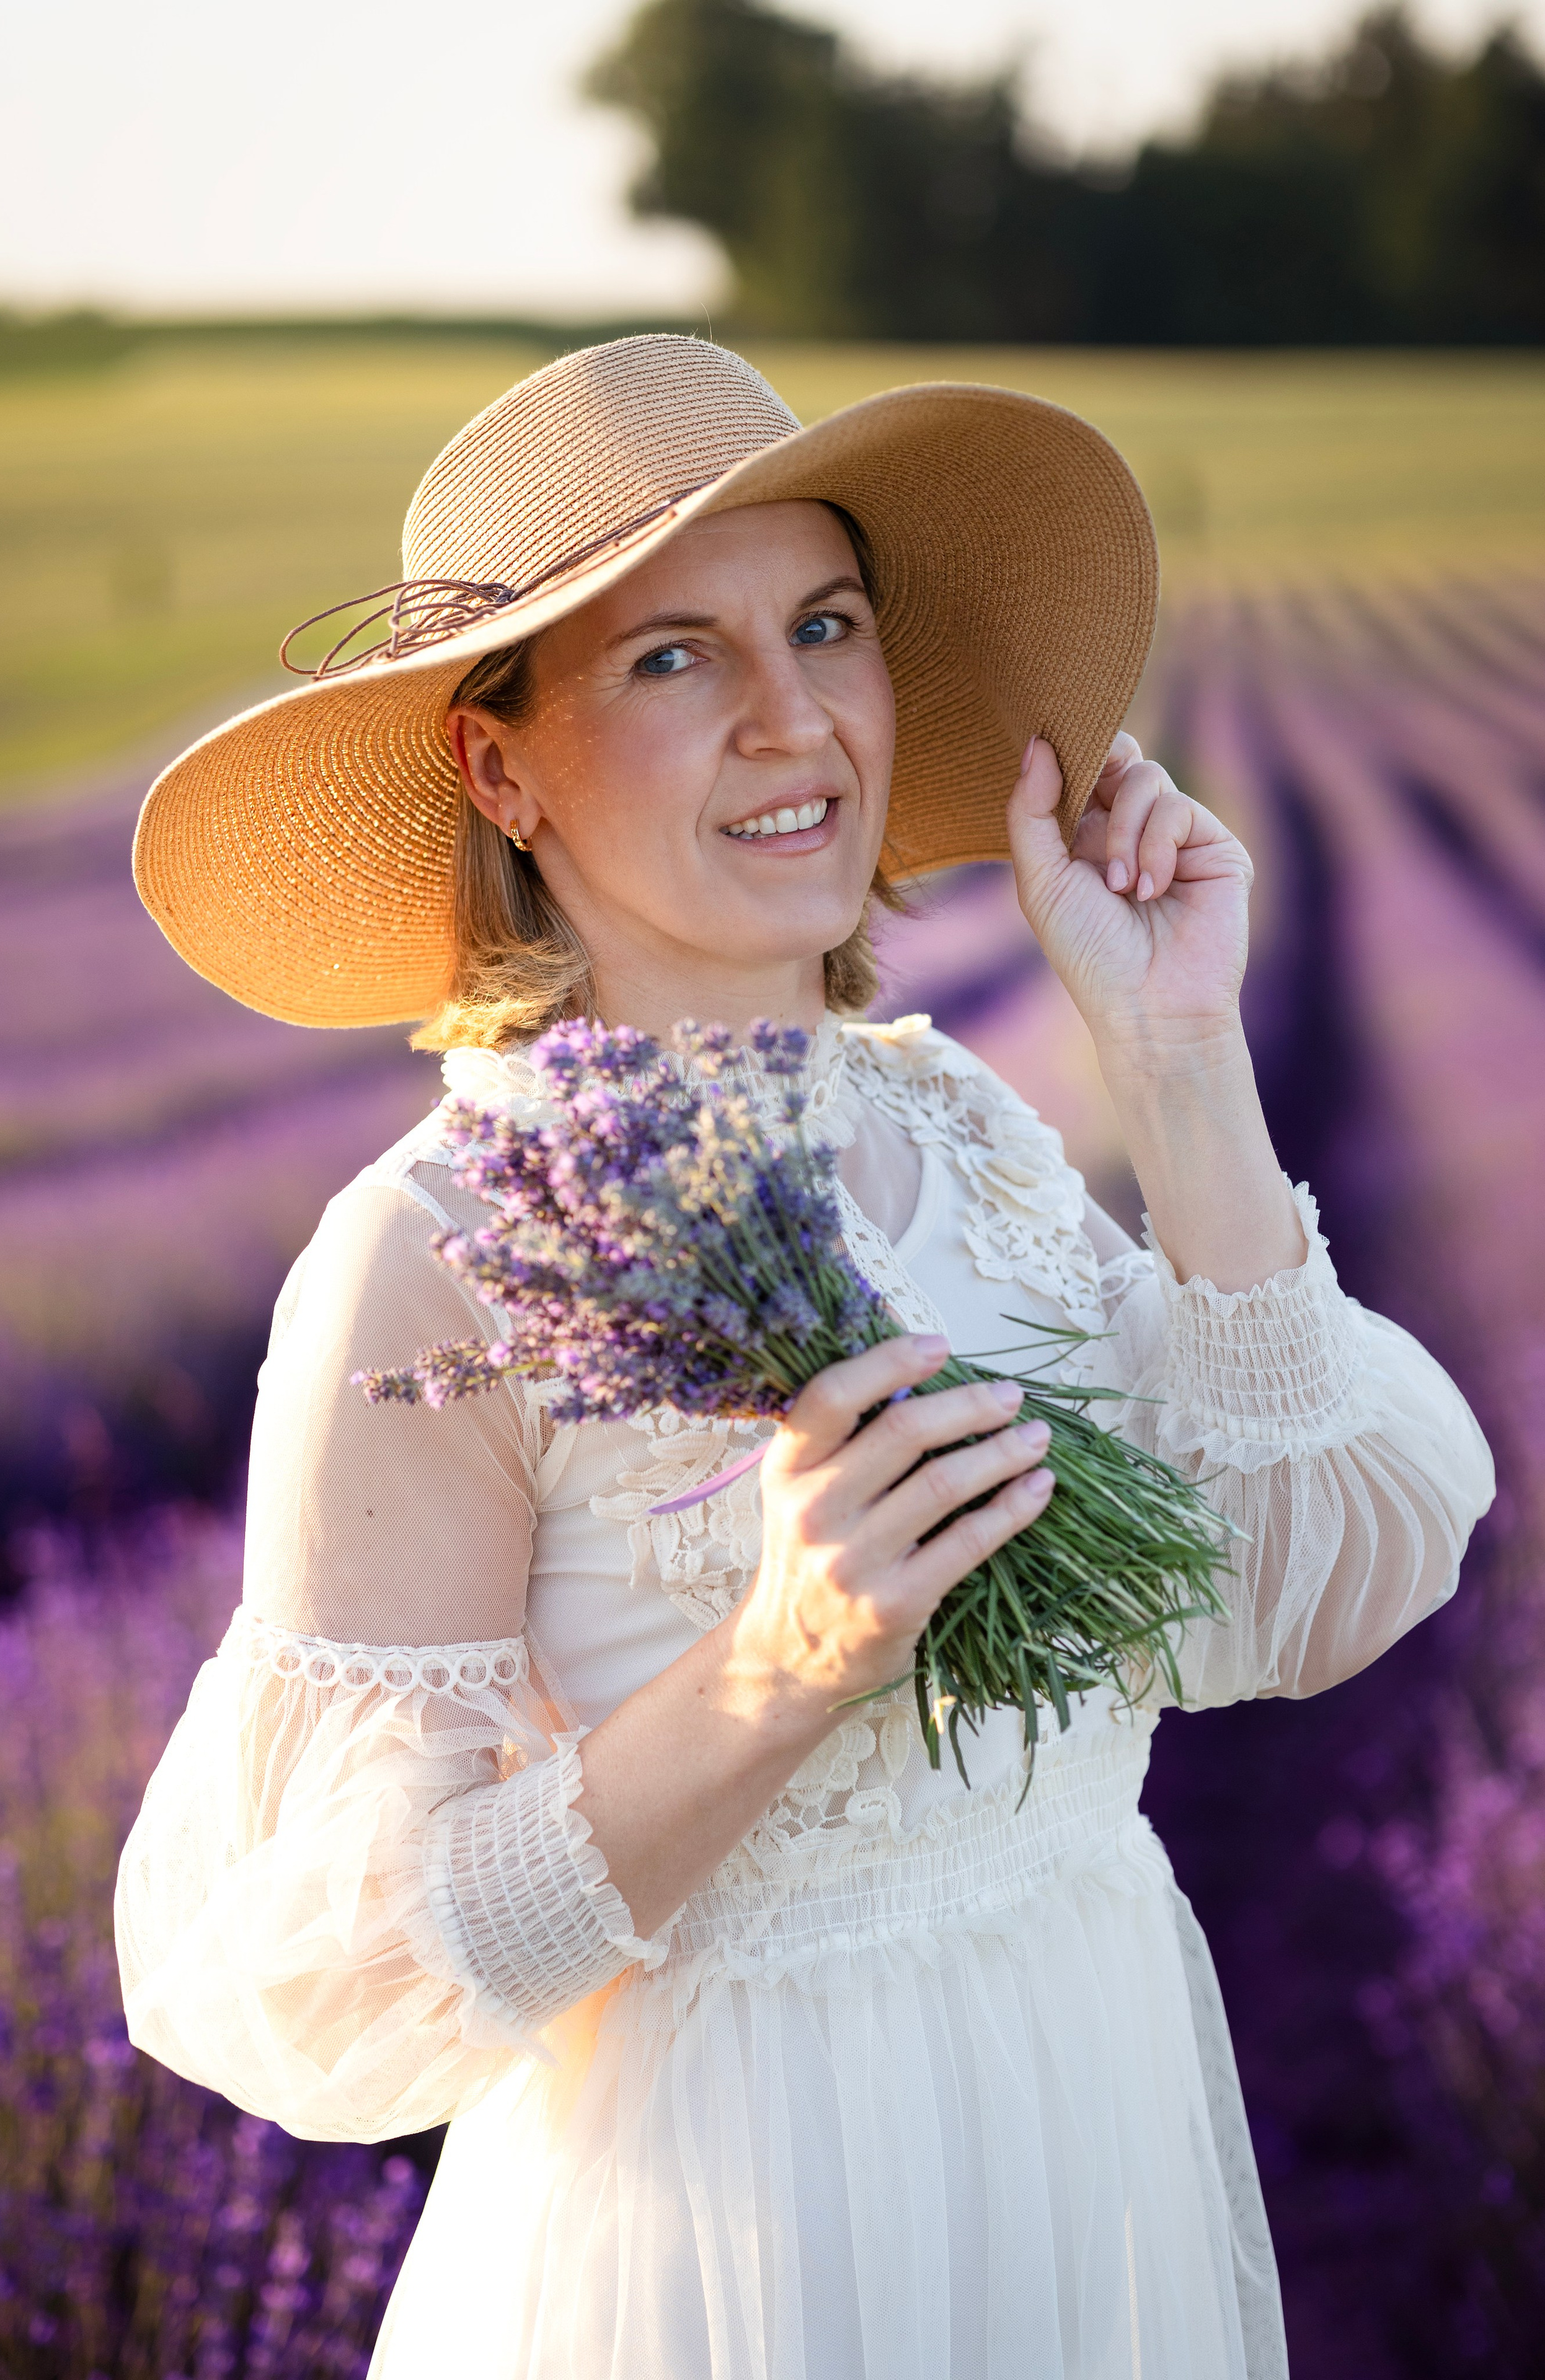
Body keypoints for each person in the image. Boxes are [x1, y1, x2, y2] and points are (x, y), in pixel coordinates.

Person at [116, 337, 1493, 2380]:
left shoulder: (961, 1127)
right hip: (730, 2227)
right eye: (675, 658)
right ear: (504, 769)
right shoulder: (434, 1256)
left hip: (1078, 2106)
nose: (794, 716)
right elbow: (327, 1998)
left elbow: (1309, 1583)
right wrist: (772, 1667)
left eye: (826, 625)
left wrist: (1183, 1058)